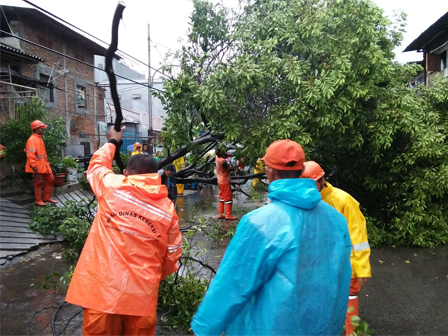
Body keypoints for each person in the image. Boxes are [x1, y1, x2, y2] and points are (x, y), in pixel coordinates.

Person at [192, 140, 352, 336]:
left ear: (269, 172)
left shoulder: (259, 223)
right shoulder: (337, 221)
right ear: (302, 169)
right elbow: (342, 281)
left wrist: (204, 328)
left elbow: (233, 283)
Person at [65, 126, 182, 336]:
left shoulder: (112, 187)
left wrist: (112, 141)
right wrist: (150, 277)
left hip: (101, 294)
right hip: (142, 298)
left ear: (126, 173)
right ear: (155, 175)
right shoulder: (167, 209)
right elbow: (172, 254)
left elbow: (96, 167)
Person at [302, 161, 372, 336]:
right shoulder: (306, 201)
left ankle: (352, 333)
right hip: (319, 262)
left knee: (349, 295)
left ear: (321, 180)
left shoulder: (343, 200)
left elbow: (358, 236)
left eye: (312, 183)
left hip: (344, 261)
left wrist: (361, 267)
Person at [24, 120, 58, 206]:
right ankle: (38, 200)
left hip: (44, 165)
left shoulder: (39, 138)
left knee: (51, 179)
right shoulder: (32, 140)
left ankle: (46, 197)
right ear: (36, 129)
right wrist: (33, 165)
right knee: (38, 183)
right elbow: (30, 154)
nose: (43, 130)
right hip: (38, 166)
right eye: (41, 128)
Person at [215, 148, 236, 220]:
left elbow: (224, 156)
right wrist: (236, 167)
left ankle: (220, 214)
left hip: (219, 180)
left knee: (221, 197)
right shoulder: (223, 162)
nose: (224, 152)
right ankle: (228, 215)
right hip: (225, 181)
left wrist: (229, 155)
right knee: (228, 198)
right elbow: (228, 168)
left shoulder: (217, 157)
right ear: (220, 152)